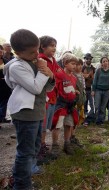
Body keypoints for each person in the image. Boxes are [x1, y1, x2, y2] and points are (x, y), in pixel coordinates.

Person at [3, 29, 54, 190]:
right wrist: (44, 71)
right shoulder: (16, 67)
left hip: (37, 111)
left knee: (34, 147)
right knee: (25, 152)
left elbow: (48, 87)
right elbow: (36, 88)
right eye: (32, 52)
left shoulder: (32, 62)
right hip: (25, 113)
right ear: (17, 52)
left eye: (38, 50)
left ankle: (24, 173)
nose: (37, 55)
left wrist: (50, 75)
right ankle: (21, 185)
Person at [37, 35, 61, 161]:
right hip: (45, 97)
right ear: (42, 46)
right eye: (52, 45)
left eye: (55, 46)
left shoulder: (52, 60)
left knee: (46, 125)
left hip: (53, 97)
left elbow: (59, 73)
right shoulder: (41, 60)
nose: (54, 48)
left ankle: (43, 147)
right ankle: (39, 151)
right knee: (42, 124)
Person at [51, 53, 79, 155]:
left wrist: (75, 92)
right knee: (57, 125)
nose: (74, 66)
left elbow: (71, 88)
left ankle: (67, 144)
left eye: (75, 64)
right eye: (72, 63)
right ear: (65, 63)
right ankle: (55, 145)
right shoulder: (60, 74)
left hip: (70, 105)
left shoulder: (74, 78)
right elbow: (56, 88)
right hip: (61, 104)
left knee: (69, 124)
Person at [92, 56, 109, 126]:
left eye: (106, 61)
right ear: (101, 63)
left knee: (103, 107)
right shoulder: (98, 70)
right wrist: (93, 90)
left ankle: (101, 120)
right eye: (103, 61)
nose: (105, 62)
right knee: (97, 105)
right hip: (98, 90)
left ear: (108, 62)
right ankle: (97, 119)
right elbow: (95, 81)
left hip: (106, 91)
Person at [71, 58, 86, 147]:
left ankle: (73, 136)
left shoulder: (81, 75)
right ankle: (70, 137)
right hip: (74, 101)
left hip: (81, 100)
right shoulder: (72, 75)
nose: (80, 66)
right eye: (77, 64)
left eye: (81, 64)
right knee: (72, 120)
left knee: (77, 120)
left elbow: (83, 88)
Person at [0, 45, 11, 125]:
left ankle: (1, 118)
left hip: (5, 86)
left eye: (1, 51)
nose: (0, 53)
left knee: (4, 103)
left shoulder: (6, 61)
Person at [82, 53, 96, 117]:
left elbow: (94, 79)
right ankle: (84, 117)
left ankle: (90, 117)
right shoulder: (81, 67)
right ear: (84, 59)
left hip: (91, 89)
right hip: (83, 89)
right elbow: (81, 77)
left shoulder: (93, 68)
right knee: (84, 104)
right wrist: (88, 76)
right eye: (87, 58)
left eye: (90, 59)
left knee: (92, 105)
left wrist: (88, 76)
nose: (89, 60)